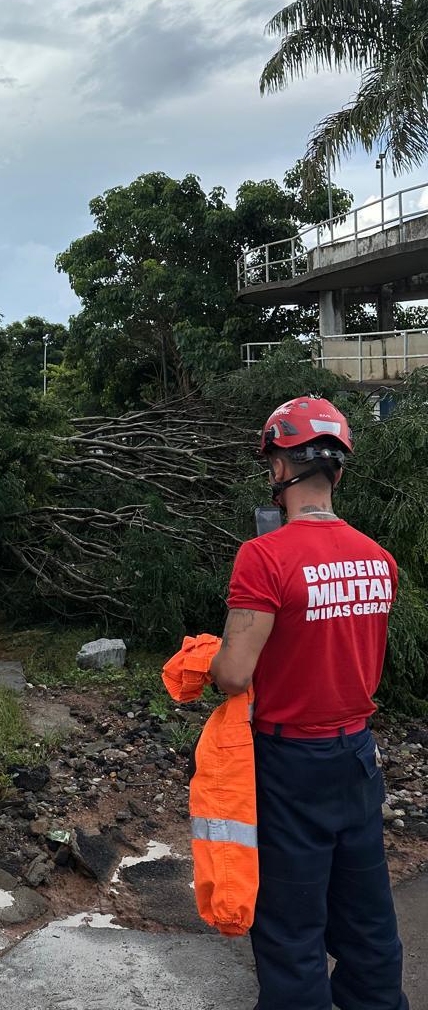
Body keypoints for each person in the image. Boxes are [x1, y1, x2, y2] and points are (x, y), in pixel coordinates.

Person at [210, 396, 409, 1010]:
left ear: (279, 468)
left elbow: (234, 675)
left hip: (289, 764)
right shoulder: (379, 559)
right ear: (337, 471)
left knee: (290, 930)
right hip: (358, 759)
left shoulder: (263, 557)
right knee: (367, 920)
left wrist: (206, 659)